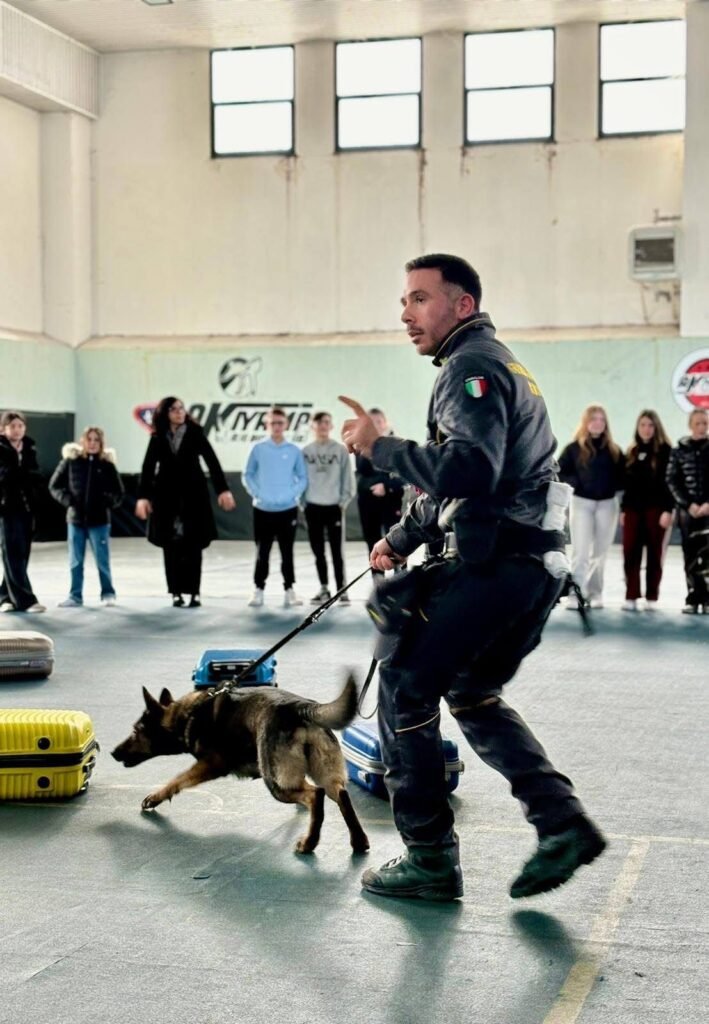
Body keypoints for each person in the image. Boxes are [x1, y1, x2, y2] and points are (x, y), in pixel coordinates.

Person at [340, 253, 606, 903]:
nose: (406, 313)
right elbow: (462, 484)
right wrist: (400, 539)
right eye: (403, 300)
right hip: (534, 567)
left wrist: (380, 447)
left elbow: (469, 469)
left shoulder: (470, 367)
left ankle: (429, 857)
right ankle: (561, 824)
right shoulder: (496, 363)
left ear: (462, 304)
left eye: (419, 298)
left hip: (497, 564)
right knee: (472, 692)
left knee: (406, 686)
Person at [135, 397, 235, 607]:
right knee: (170, 546)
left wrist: (223, 490)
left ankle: (194, 592)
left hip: (193, 496)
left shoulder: (195, 433)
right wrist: (143, 496)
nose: (180, 412)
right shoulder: (158, 437)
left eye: (181, 408)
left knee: (193, 544)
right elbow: (148, 467)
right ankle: (176, 592)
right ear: (165, 413)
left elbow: (212, 461)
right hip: (166, 498)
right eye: (174, 409)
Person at [558, 405, 625, 609]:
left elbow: (624, 477)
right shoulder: (573, 449)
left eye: (601, 419)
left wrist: (611, 487)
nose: (598, 423)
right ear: (586, 423)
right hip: (581, 503)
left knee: (600, 552)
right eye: (594, 419)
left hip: (607, 505)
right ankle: (577, 593)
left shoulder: (614, 450)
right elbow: (560, 472)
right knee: (580, 551)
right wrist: (576, 484)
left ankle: (596, 592)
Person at [49, 427, 125, 607]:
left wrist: (106, 502)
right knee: (75, 560)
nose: (92, 443)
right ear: (82, 441)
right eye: (89, 439)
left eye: (96, 440)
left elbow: (119, 492)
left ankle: (108, 593)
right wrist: (68, 500)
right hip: (75, 520)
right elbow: (54, 486)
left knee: (102, 560)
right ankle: (75, 596)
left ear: (101, 443)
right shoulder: (70, 462)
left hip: (99, 521)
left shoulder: (107, 466)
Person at [243, 406, 308, 608]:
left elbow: (302, 478)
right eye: (273, 423)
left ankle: (289, 590)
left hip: (288, 510)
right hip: (262, 510)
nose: (277, 426)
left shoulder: (294, 451)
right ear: (267, 424)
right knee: (262, 552)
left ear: (286, 424)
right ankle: (258, 590)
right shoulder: (258, 449)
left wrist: (289, 495)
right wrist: (259, 494)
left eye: (280, 423)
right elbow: (247, 475)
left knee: (287, 552)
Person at [620, 411, 674, 611]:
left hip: (656, 510)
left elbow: (670, 483)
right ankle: (631, 595)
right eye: (642, 425)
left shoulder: (666, 451)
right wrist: (624, 509)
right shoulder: (632, 451)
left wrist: (668, 510)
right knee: (630, 552)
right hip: (633, 511)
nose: (646, 429)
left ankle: (652, 596)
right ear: (638, 427)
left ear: (656, 427)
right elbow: (628, 485)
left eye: (650, 425)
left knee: (654, 553)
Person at [301, 411, 356, 604]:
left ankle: (342, 590)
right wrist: (303, 503)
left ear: (331, 426)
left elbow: (348, 480)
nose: (322, 426)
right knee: (318, 551)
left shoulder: (340, 450)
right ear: (312, 426)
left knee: (337, 552)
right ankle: (324, 588)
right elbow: (300, 478)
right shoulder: (305, 451)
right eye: (318, 423)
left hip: (333, 508)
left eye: (326, 422)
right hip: (312, 507)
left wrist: (342, 503)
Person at [0, 411, 45, 613]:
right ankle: (26, 600)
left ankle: (5, 596)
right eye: (12, 426)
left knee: (22, 554)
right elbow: (5, 476)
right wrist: (20, 473)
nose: (17, 430)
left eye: (20, 426)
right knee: (12, 554)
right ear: (3, 429)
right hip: (6, 509)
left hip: (27, 508)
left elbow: (35, 475)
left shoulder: (29, 448)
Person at [666, 409, 709, 614]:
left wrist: (707, 504)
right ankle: (693, 598)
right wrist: (687, 504)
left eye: (705, 423)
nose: (702, 427)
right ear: (690, 425)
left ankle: (708, 599)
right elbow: (672, 480)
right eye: (698, 423)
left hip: (708, 512)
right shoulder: (679, 451)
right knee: (690, 556)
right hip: (687, 513)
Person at [355, 408, 405, 574]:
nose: (374, 425)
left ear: (385, 423)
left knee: (397, 541)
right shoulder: (360, 446)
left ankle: (401, 580)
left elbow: (404, 476)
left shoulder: (397, 445)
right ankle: (378, 582)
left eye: (378, 422)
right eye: (371, 422)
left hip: (390, 501)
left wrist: (386, 486)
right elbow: (361, 474)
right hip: (368, 501)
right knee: (372, 543)